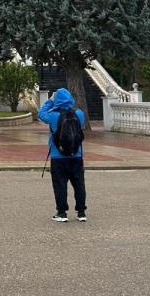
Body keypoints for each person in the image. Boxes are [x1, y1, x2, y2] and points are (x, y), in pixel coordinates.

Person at [38, 88, 87, 222]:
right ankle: (81, 212)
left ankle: (61, 213)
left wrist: (50, 101)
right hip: (76, 155)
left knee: (60, 185)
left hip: (58, 156)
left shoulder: (53, 116)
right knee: (79, 184)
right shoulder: (79, 114)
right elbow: (81, 128)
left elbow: (40, 113)